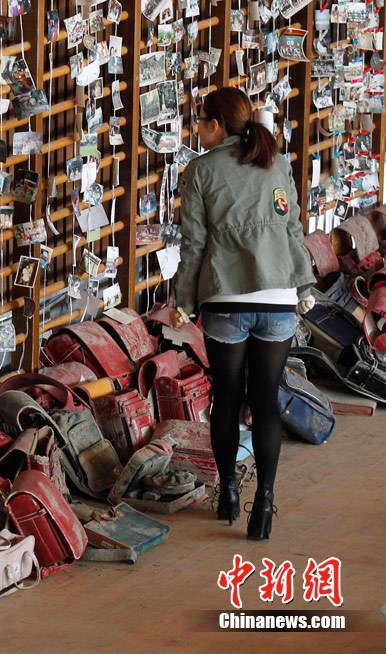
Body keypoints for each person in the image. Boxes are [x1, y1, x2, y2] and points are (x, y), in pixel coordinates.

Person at [170, 87, 315, 541]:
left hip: (226, 302)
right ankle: (265, 504)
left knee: (227, 400)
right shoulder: (276, 162)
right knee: (267, 402)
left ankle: (229, 492)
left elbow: (194, 247)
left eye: (200, 121)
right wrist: (304, 285)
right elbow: (293, 231)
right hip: (278, 301)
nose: (197, 130)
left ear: (215, 125)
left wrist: (184, 303)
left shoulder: (200, 171)